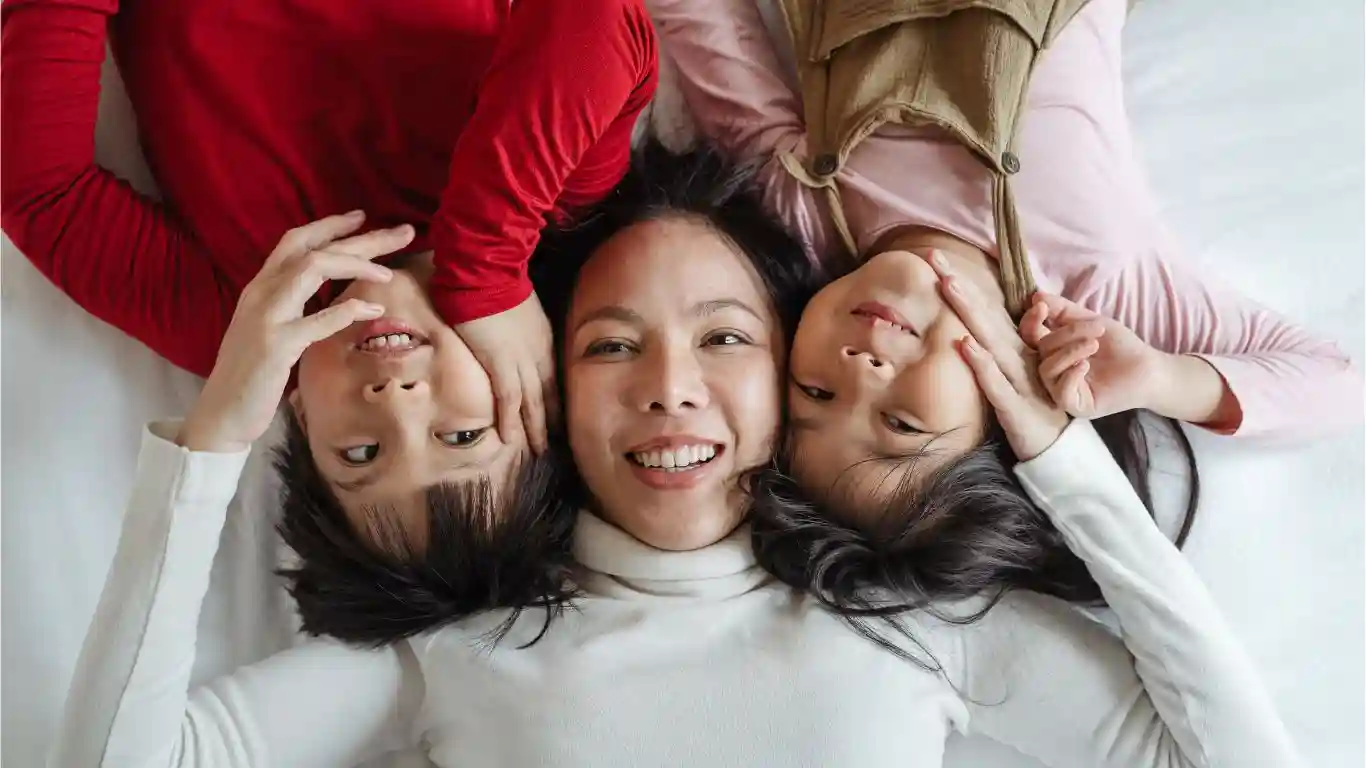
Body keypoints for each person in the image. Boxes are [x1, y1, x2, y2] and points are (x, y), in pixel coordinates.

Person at [51, 143, 1302, 768]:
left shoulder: (918, 627)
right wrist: (219, 434)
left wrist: (1053, 449)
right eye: (608, 346)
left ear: (792, 374)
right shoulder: (456, 647)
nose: (668, 390)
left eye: (724, 338)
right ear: (541, 391)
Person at [647, 0, 1361, 607]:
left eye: (815, 391)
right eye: (901, 422)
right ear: (1002, 420)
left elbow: (706, 21)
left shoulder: (801, 214)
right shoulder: (1096, 282)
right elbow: (1337, 383)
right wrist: (1160, 378)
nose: (860, 369)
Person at [0, 0, 659, 531]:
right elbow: (598, 19)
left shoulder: (247, 326)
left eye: (361, 453)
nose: (395, 403)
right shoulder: (547, 208)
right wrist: (485, 266)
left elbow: (41, 192)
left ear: (302, 422)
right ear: (538, 397)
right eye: (460, 437)